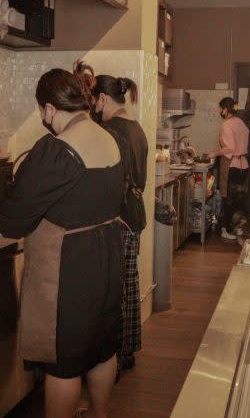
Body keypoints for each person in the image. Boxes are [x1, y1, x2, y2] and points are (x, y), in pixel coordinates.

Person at [0, 68, 125, 418]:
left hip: (71, 267)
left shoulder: (58, 149)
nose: (42, 117)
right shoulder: (108, 137)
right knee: (102, 347)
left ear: (50, 108)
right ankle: (100, 414)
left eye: (42, 111)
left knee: (64, 363)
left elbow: (19, 212)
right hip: (106, 255)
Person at [89, 71, 148, 373]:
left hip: (120, 215)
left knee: (117, 289)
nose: (93, 108)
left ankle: (116, 355)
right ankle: (127, 351)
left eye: (94, 100)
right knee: (129, 284)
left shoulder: (111, 130)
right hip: (134, 212)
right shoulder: (135, 127)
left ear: (102, 98)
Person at [208, 97, 250, 240]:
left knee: (228, 199)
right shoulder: (242, 123)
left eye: (221, 109)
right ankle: (239, 229)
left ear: (226, 109)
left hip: (231, 164)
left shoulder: (227, 125)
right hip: (244, 165)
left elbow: (230, 148)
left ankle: (226, 230)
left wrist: (214, 153)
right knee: (240, 199)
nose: (220, 111)